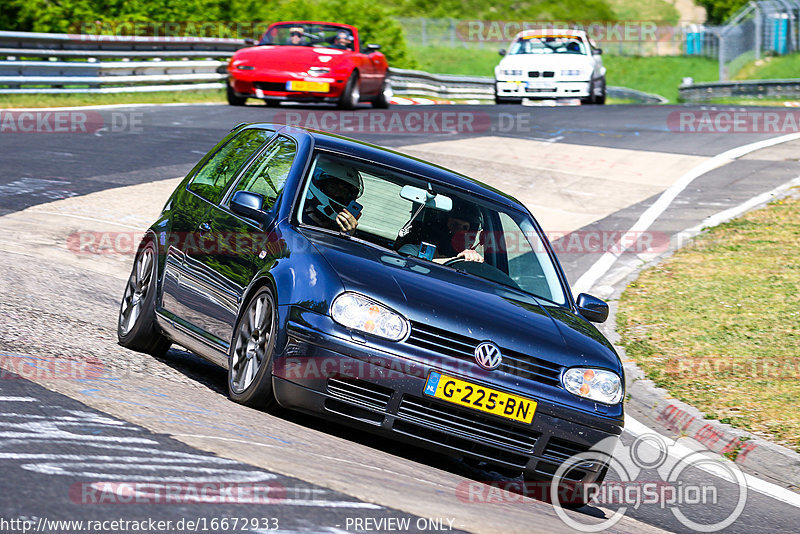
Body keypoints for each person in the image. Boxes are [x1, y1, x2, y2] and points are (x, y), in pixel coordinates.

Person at [303, 158, 362, 234]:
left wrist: (348, 234)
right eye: (333, 188)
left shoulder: (340, 228)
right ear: (318, 185)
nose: (339, 195)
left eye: (345, 192)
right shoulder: (294, 219)